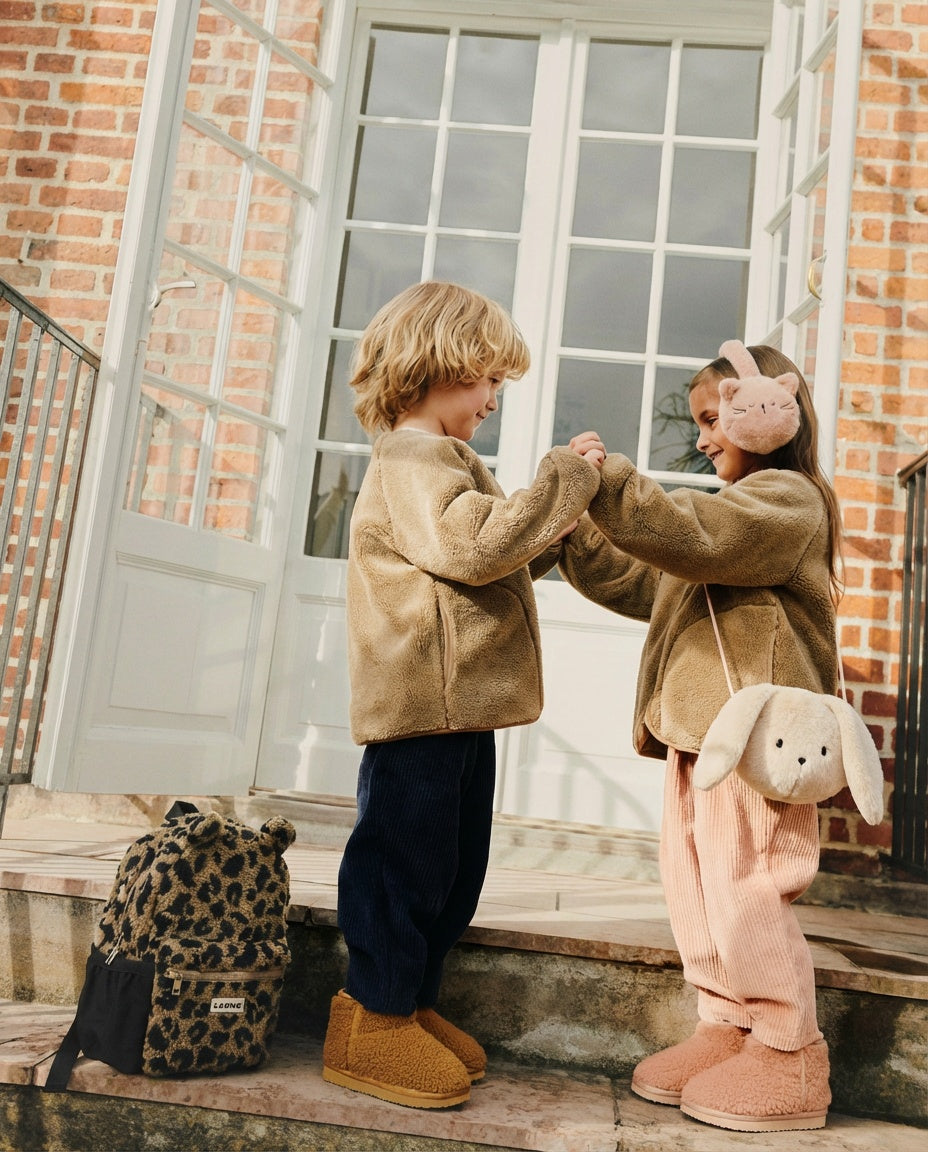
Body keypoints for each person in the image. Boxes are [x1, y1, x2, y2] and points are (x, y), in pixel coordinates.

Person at [321, 280, 604, 1110]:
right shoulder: (414, 457)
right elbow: (473, 547)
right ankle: (371, 1019)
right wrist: (559, 480)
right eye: (488, 379)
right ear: (439, 364)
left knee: (451, 867)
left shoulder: (442, 461)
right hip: (423, 708)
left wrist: (550, 527)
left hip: (458, 706)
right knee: (403, 862)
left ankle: (409, 1005)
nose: (493, 398)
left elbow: (484, 564)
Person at [560, 345, 843, 1133]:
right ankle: (725, 1024)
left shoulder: (785, 501)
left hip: (759, 741)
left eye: (715, 419)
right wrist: (576, 536)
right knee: (695, 882)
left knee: (749, 882)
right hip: (701, 734)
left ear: (770, 413)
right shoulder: (727, 518)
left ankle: (788, 1049)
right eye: (701, 422)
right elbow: (646, 579)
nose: (704, 438)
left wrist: (613, 482)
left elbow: (696, 537)